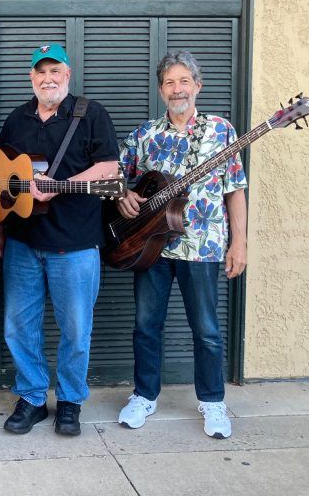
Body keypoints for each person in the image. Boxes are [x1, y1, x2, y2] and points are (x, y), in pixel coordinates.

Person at [115, 50, 247, 439]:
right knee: (145, 326)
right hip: (151, 245)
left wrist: (239, 242)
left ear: (198, 86)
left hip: (203, 247)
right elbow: (117, 175)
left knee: (206, 328)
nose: (177, 89)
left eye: (184, 81)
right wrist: (122, 194)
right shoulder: (145, 135)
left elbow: (234, 190)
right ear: (160, 90)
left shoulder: (221, 131)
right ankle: (144, 395)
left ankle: (212, 401)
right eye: (170, 82)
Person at [0, 44, 119, 436]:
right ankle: (33, 397)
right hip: (22, 243)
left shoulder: (91, 114)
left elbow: (109, 169)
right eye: (40, 72)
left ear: (67, 74)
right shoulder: (17, 118)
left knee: (76, 329)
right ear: (31, 77)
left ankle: (69, 401)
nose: (47, 78)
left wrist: (60, 186)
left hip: (76, 245)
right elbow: (0, 175)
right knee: (19, 327)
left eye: (55, 71)